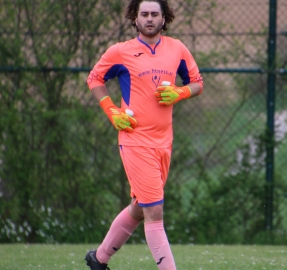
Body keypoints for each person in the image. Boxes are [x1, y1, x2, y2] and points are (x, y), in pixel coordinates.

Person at [84, 0, 203, 269]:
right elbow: (94, 79)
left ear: (164, 18)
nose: (149, 18)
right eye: (144, 14)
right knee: (154, 211)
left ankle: (98, 259)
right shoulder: (121, 51)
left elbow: (197, 83)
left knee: (140, 207)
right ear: (134, 19)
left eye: (154, 14)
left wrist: (180, 92)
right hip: (135, 140)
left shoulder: (177, 49)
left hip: (164, 142)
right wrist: (112, 111)